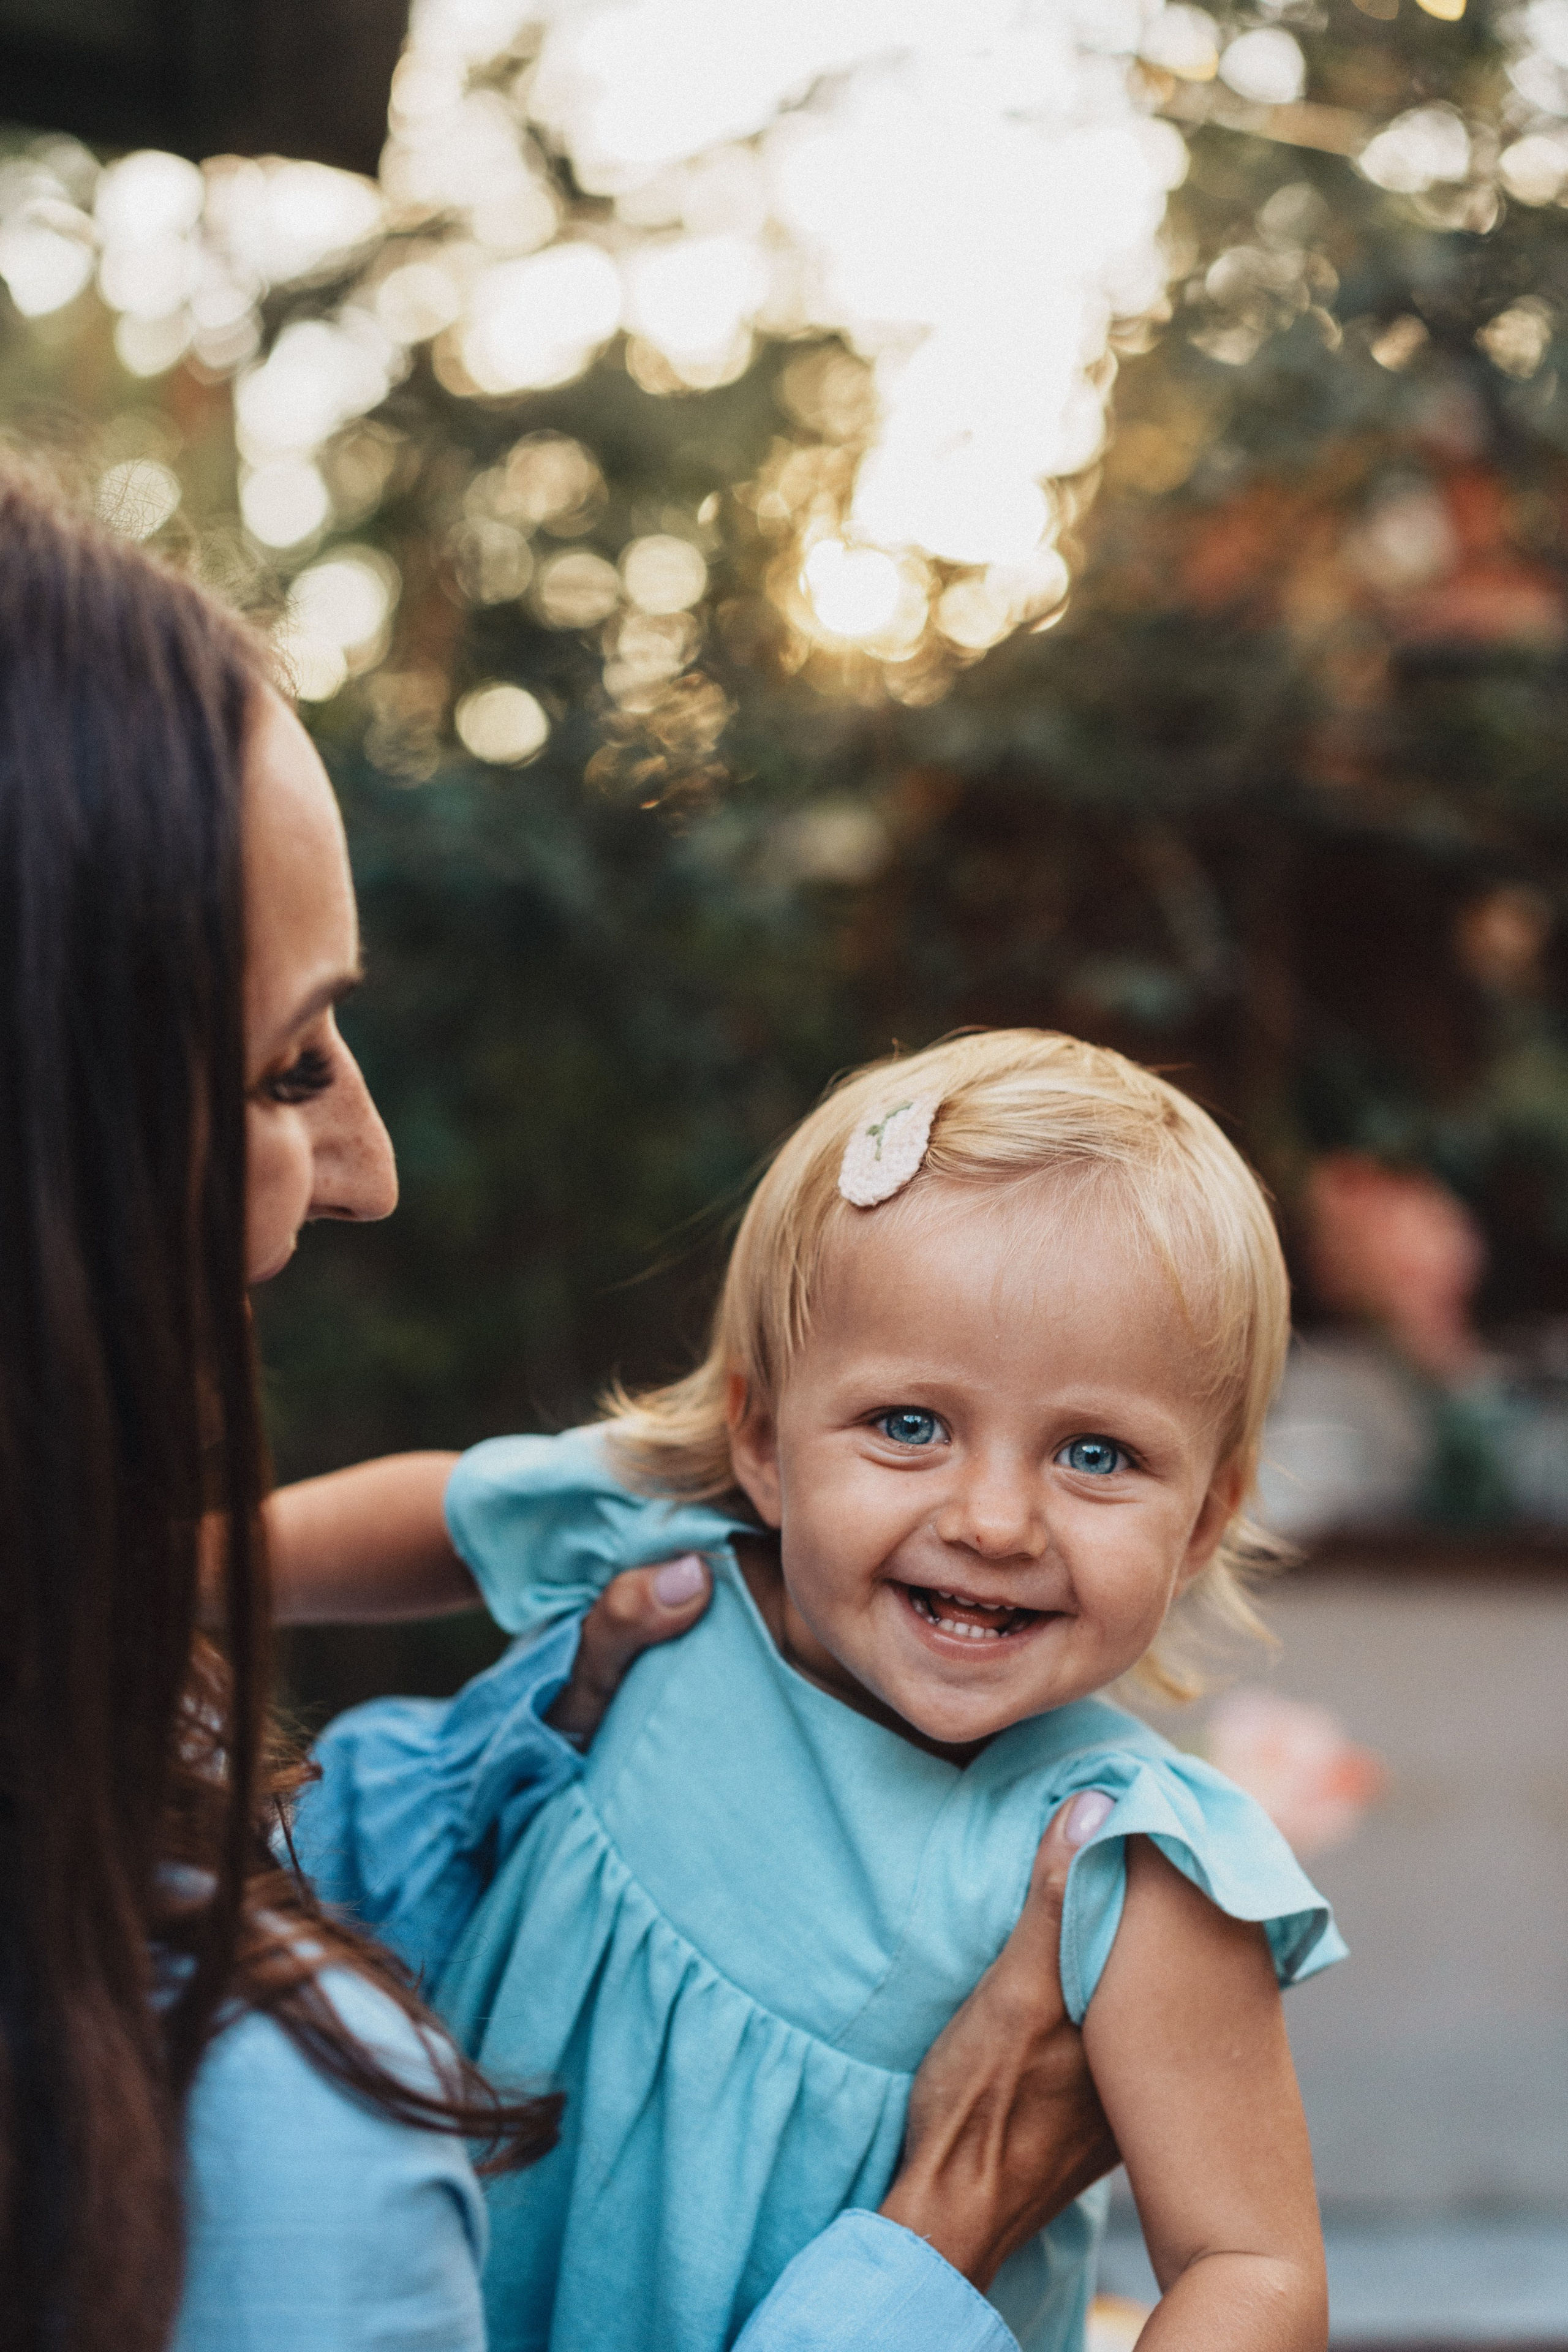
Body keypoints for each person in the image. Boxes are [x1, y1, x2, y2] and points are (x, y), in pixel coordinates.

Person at [0, 466, 1119, 2352]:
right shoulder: (266, 2139)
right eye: (286, 1066)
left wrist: (532, 1749)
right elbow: (445, 1515)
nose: (367, 1169)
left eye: (1096, 1452)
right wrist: (940, 2244)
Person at [285, 1032, 1346, 2352]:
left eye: (1095, 1452)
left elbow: (1252, 2268)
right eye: (909, 1424)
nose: (996, 1519)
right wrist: (160, 1574)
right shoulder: (679, 1547)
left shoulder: (1122, 1868)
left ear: (1200, 1523)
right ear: (760, 1440)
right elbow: (444, 1515)